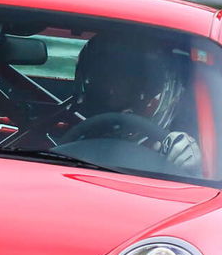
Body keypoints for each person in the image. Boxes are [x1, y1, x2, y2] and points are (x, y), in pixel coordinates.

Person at [69, 30, 203, 171]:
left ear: (148, 88)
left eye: (125, 79)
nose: (111, 89)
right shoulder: (60, 127)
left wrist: (186, 158)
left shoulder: (172, 147)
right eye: (103, 77)